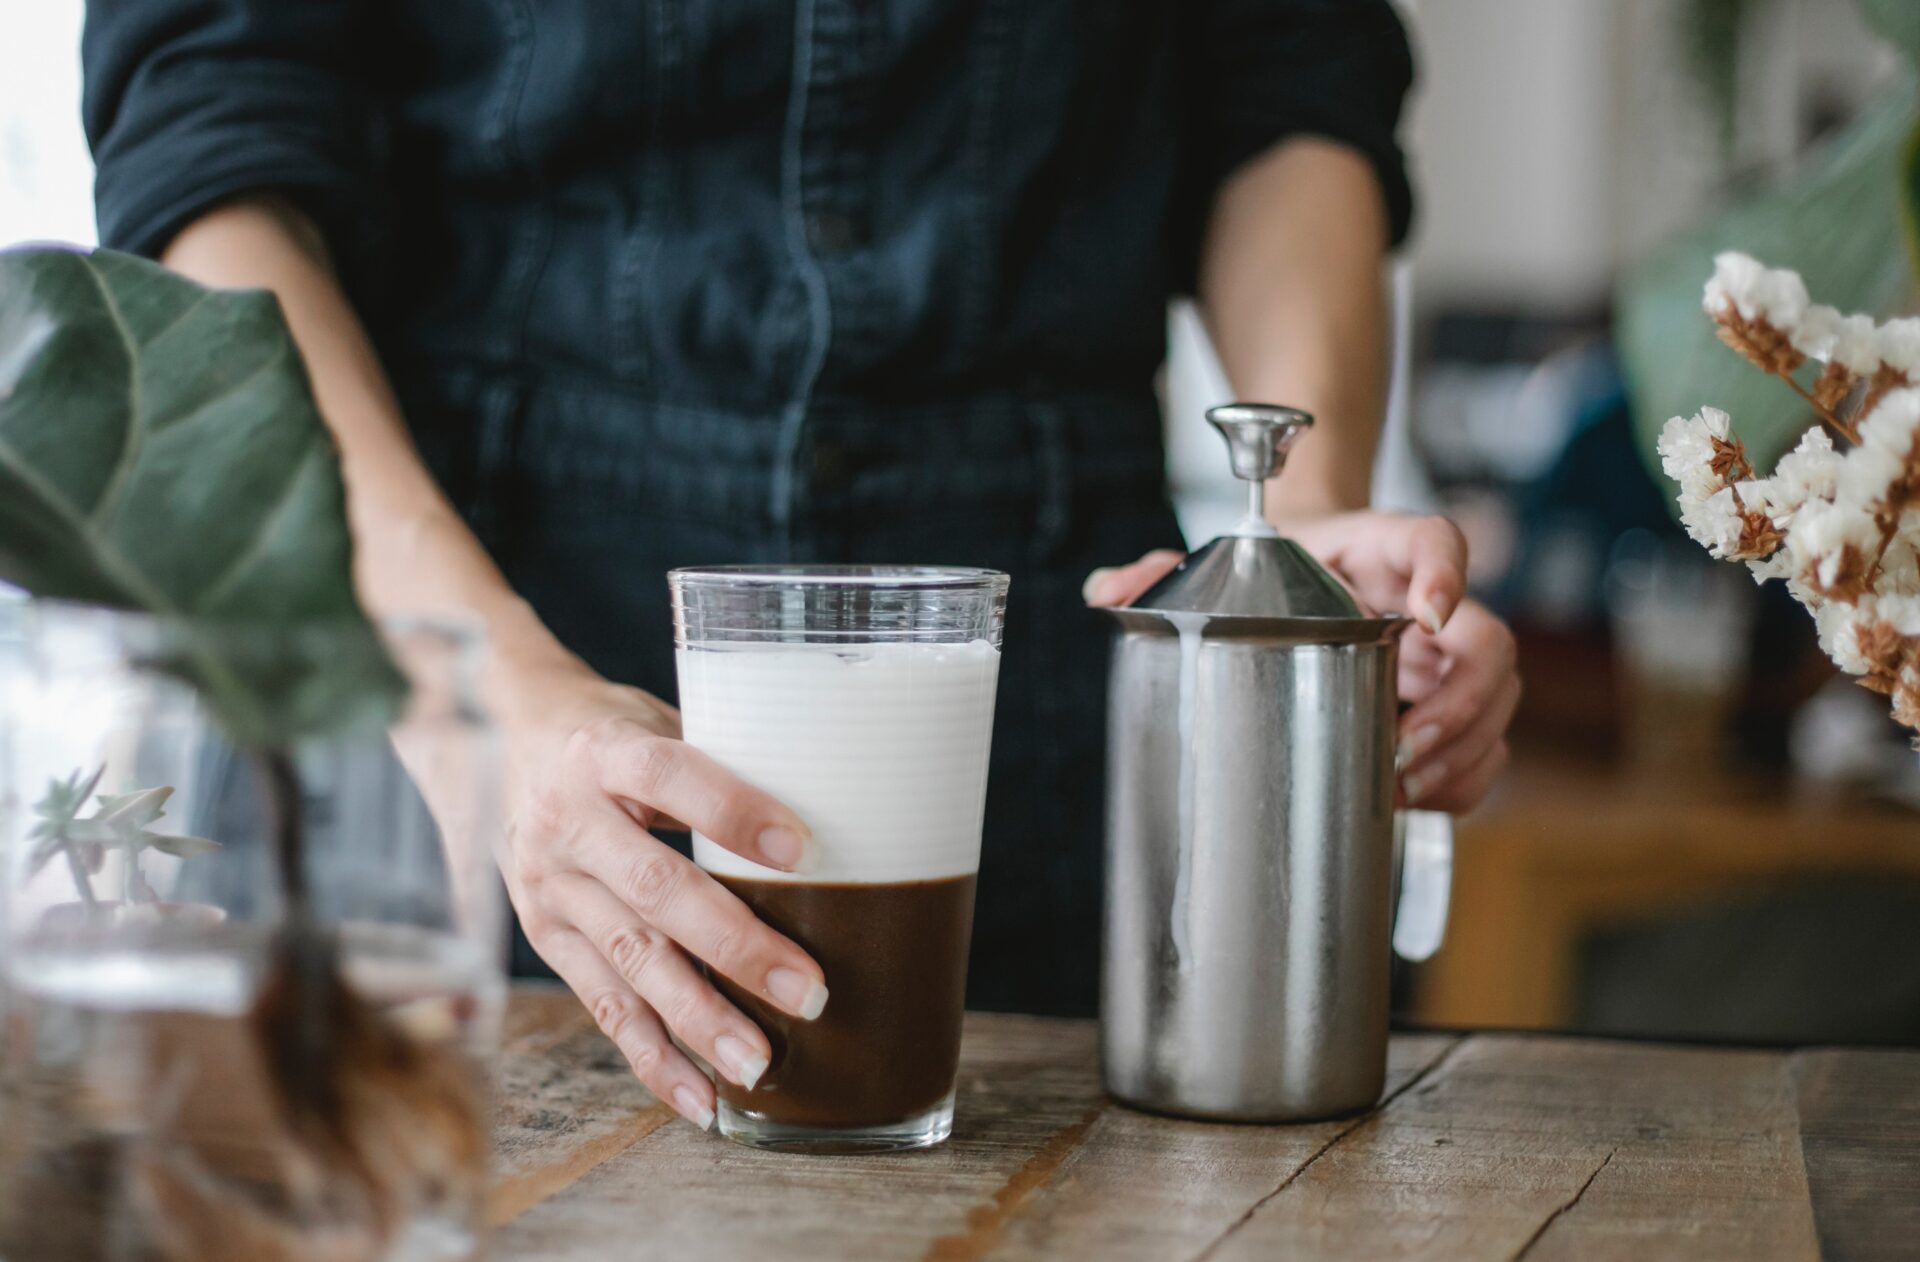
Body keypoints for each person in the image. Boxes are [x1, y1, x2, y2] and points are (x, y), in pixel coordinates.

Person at [83, 2, 1519, 1130]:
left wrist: (1303, 520)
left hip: (1048, 692)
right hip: (426, 618)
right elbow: (210, 148)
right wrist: (485, 698)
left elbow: (1286, 79)